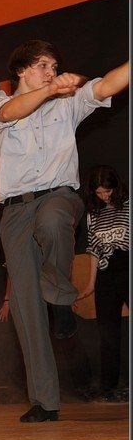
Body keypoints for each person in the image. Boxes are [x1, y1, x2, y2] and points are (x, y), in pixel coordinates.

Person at [0, 40, 129, 422]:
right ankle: (44, 401)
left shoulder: (67, 104)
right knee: (26, 309)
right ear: (21, 70)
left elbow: (106, 85)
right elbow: (11, 111)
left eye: (54, 66)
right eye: (43, 66)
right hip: (15, 211)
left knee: (52, 220)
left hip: (59, 197)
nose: (51, 72)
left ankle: (61, 297)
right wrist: (51, 88)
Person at [76, 165, 129, 402]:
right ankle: (109, 386)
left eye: (107, 191)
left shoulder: (128, 205)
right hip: (106, 273)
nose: (104, 196)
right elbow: (94, 251)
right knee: (107, 333)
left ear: (116, 187)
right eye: (99, 192)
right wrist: (90, 284)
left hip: (127, 264)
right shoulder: (93, 214)